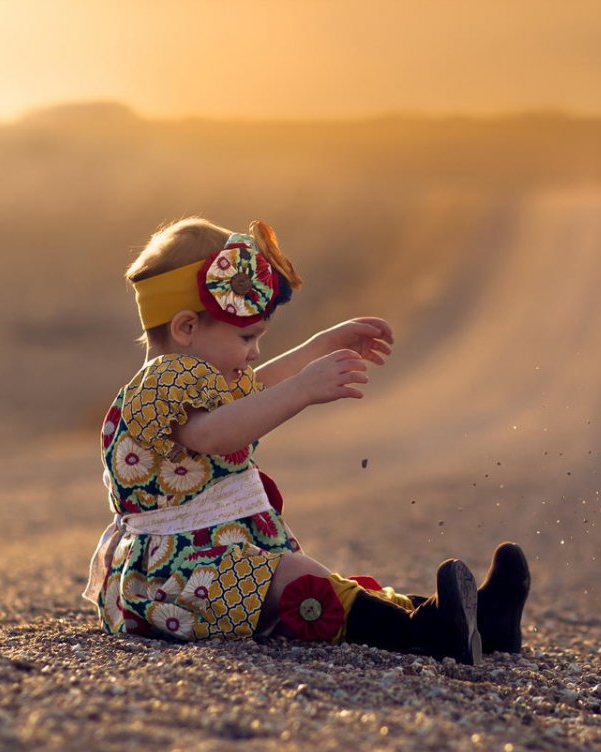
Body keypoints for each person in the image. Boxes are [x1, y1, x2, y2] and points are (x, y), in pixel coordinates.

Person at [83, 216, 531, 665]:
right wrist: (301, 390)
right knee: (300, 578)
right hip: (178, 579)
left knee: (311, 579)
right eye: (246, 337)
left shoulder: (193, 378)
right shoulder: (163, 382)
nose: (253, 352)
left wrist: (320, 345)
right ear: (185, 328)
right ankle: (428, 630)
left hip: (209, 561)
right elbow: (214, 435)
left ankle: (475, 621)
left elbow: (252, 391)